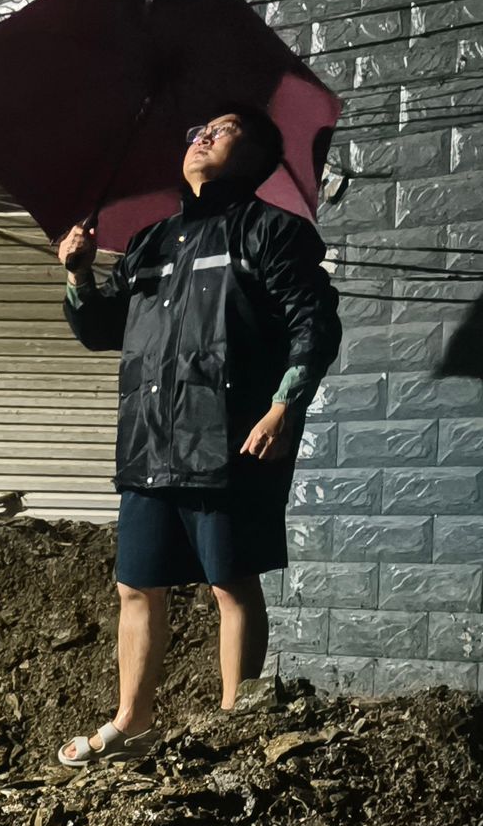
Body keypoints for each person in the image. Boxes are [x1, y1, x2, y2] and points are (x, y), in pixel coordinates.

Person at [55, 108, 341, 764]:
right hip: (150, 441)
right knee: (135, 587)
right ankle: (132, 721)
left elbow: (314, 324)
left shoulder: (271, 232)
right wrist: (77, 275)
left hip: (228, 440)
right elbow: (103, 330)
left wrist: (283, 405)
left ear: (258, 155)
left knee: (229, 584)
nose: (201, 136)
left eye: (223, 129)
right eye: (196, 131)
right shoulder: (150, 243)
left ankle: (234, 725)